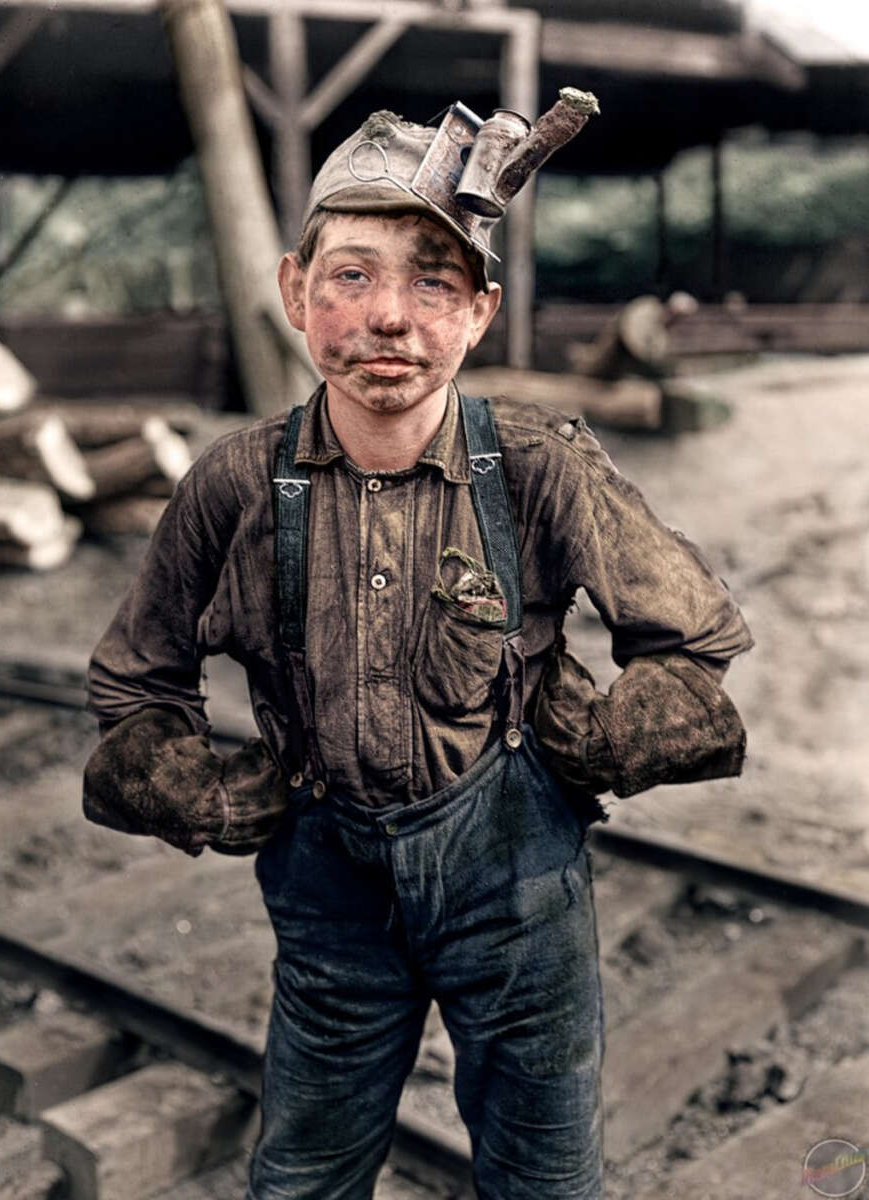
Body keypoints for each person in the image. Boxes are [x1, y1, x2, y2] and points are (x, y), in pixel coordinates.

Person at [83, 97, 753, 1199]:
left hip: (516, 891)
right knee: (303, 1177)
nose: (390, 317)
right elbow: (133, 687)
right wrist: (187, 786)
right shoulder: (234, 486)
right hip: (329, 898)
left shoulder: (540, 464)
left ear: (479, 311)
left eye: (432, 281)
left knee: (544, 1178)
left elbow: (695, 642)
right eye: (350, 276)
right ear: (296, 290)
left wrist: (609, 737)